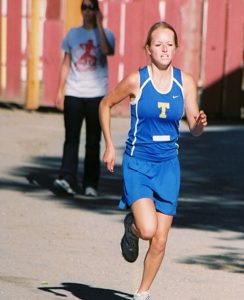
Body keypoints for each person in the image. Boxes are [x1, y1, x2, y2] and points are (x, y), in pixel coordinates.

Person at [99, 21, 207, 300]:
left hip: (169, 167)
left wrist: (199, 124)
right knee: (148, 230)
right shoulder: (137, 80)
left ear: (176, 48)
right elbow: (105, 104)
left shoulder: (186, 82)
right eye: (158, 44)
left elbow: (194, 127)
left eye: (169, 44)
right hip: (138, 164)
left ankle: (142, 294)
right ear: (148, 49)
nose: (164, 49)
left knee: (160, 240)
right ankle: (131, 228)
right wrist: (110, 145)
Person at [54, 0, 115, 197]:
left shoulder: (107, 34)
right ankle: (67, 178)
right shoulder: (72, 34)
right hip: (74, 92)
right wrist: (59, 91)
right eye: (84, 7)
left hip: (96, 94)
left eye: (91, 7)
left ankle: (90, 183)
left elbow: (107, 51)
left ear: (97, 10)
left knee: (93, 141)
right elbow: (66, 64)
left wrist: (99, 25)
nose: (87, 11)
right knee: (71, 139)